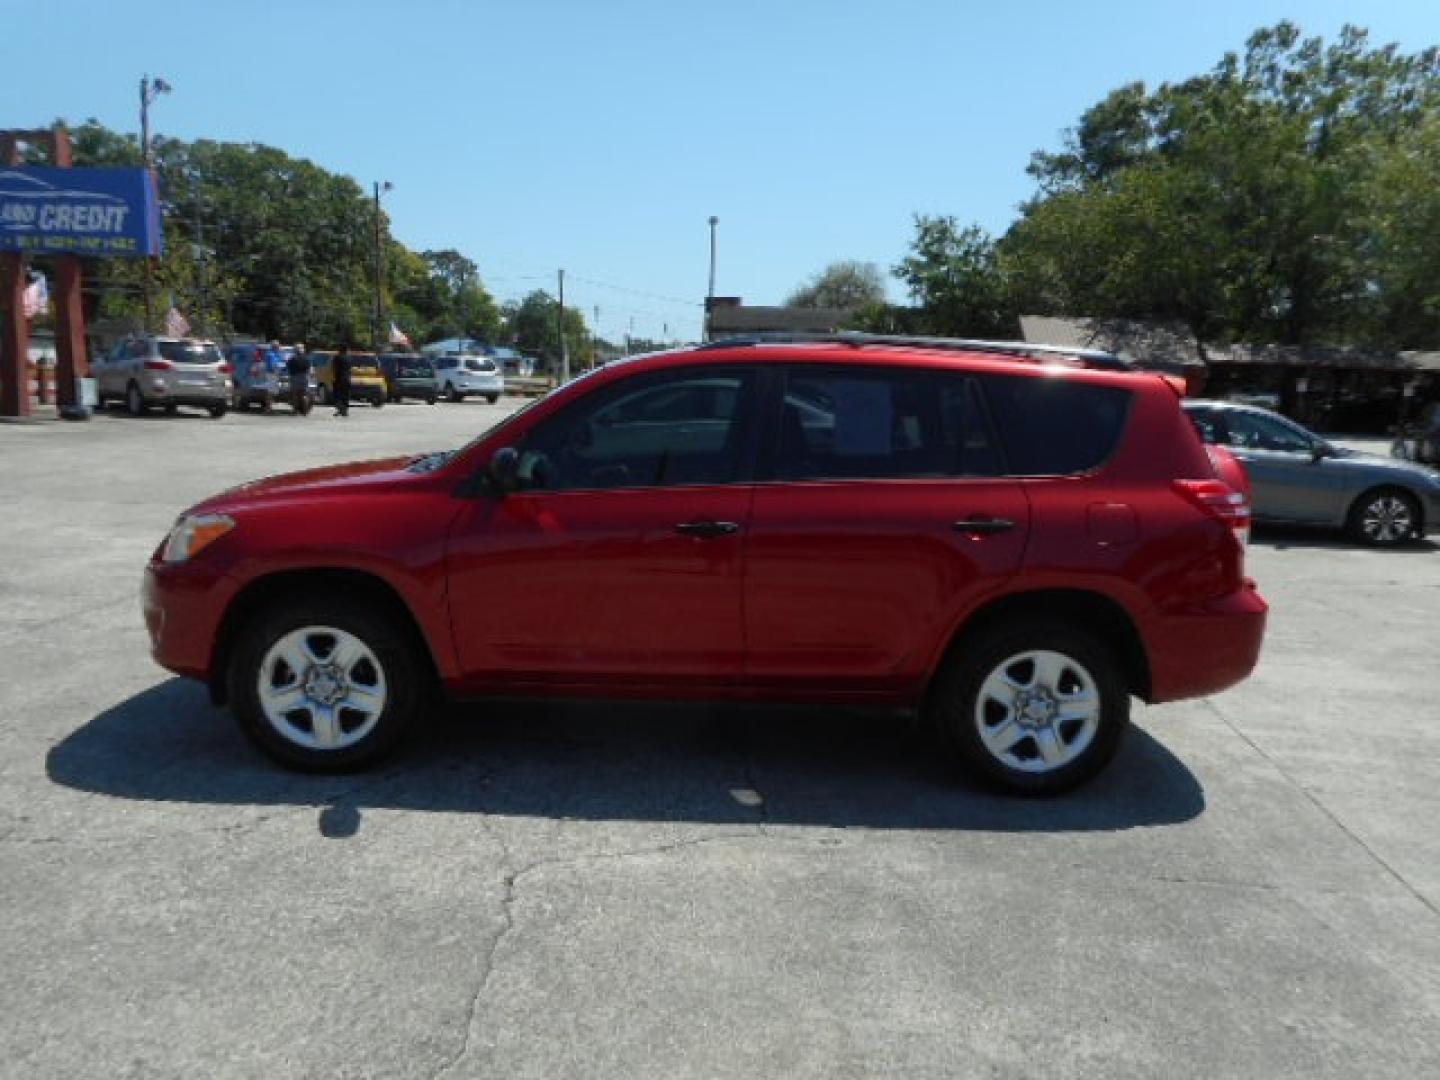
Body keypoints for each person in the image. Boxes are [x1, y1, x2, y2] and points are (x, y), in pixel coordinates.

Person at [286, 343, 311, 415]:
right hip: (305, 377)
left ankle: (295, 410)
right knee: (304, 394)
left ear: (295, 350)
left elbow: (288, 367)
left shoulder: (292, 359)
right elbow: (309, 368)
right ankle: (305, 411)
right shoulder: (307, 358)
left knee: (295, 394)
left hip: (295, 377)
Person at [333, 343, 353, 417]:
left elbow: (335, 368)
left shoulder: (337, 357)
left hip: (339, 378)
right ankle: (344, 410)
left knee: (337, 395)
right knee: (346, 395)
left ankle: (341, 409)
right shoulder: (349, 358)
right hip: (348, 378)